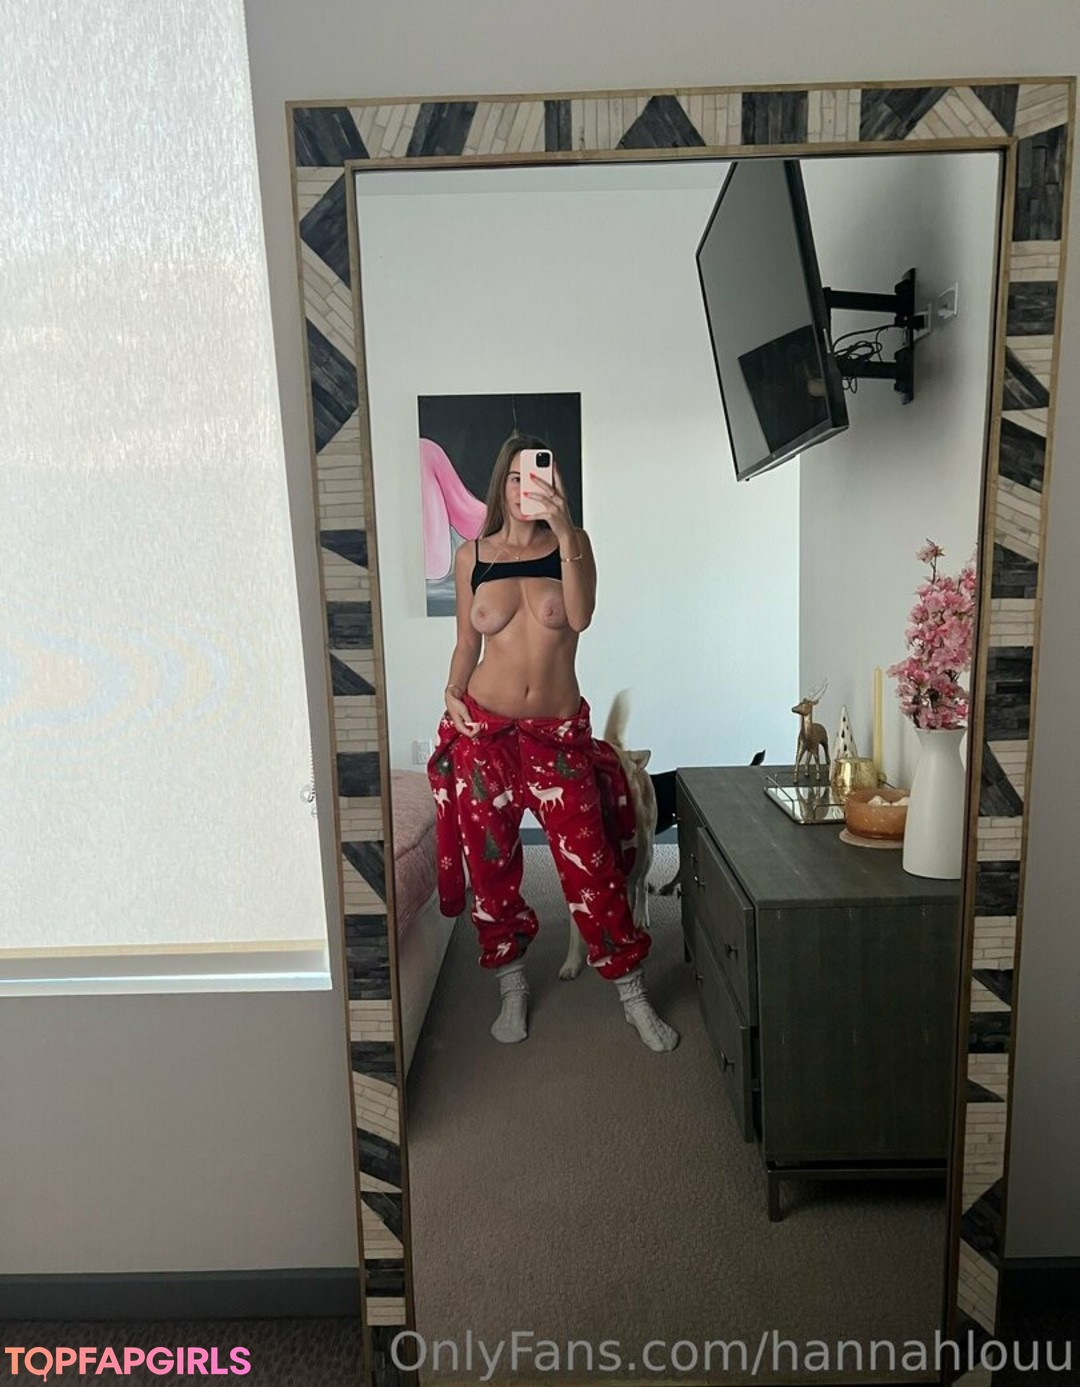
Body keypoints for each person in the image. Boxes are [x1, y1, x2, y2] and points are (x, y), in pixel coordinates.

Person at [427, 434, 678, 1052]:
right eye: (514, 477)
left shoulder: (574, 543)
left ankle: (632, 994)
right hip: (485, 733)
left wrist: (565, 531)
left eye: (537, 475)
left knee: (591, 866)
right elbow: (467, 642)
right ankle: (511, 983)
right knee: (491, 868)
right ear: (501, 484)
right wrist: (452, 690)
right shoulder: (472, 555)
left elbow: (582, 615)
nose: (525, 487)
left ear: (555, 482)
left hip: (557, 738)